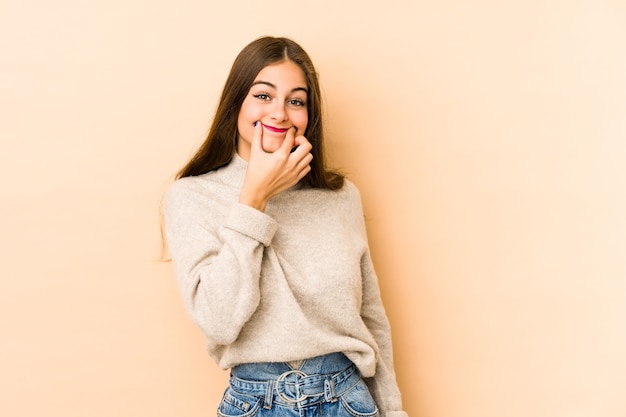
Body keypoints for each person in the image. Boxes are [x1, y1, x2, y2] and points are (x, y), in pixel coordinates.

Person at [163, 36, 408, 417]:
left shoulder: (340, 197)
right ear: (237, 102)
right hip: (255, 403)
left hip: (347, 400)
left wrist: (393, 411)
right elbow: (219, 322)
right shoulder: (192, 196)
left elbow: (371, 317)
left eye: (296, 101)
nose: (279, 113)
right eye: (263, 96)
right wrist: (254, 199)